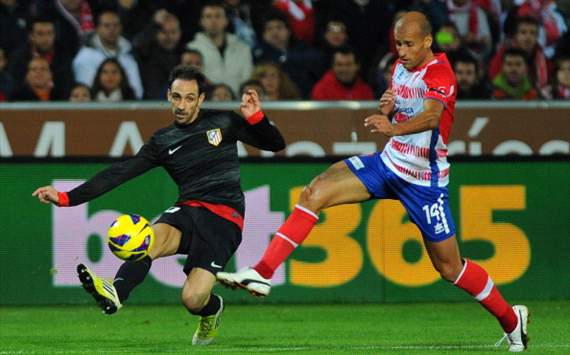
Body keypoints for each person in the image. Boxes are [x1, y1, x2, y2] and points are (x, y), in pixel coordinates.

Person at [217, 12, 529, 353]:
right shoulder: (398, 68)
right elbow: (405, 109)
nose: (403, 51)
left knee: (450, 267)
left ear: (427, 41)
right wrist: (392, 108)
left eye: (409, 44)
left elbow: (432, 116)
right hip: (387, 164)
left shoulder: (440, 72)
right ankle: (263, 271)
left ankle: (513, 322)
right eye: (398, 44)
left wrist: (393, 126)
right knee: (314, 191)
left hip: (424, 181)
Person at [32, 65, 285, 346]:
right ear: (168, 95)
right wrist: (67, 198)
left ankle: (213, 310)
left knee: (192, 299)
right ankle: (116, 294)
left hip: (225, 218)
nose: (181, 105)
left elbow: (276, 144)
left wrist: (257, 118)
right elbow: (119, 172)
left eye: (189, 98)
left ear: (201, 99)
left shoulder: (224, 122)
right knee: (148, 238)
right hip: (187, 209)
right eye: (176, 97)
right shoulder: (162, 141)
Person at [72, 9, 143, 99]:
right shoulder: (85, 57)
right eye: (107, 25)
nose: (112, 29)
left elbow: (137, 92)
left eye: (115, 25)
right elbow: (85, 93)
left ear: (121, 28)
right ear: (97, 28)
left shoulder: (128, 55)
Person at [186, 0, 253, 95]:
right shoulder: (192, 48)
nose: (213, 20)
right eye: (208, 16)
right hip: (206, 102)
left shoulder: (243, 48)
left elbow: (247, 79)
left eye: (218, 16)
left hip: (238, 102)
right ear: (202, 22)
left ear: (226, 21)